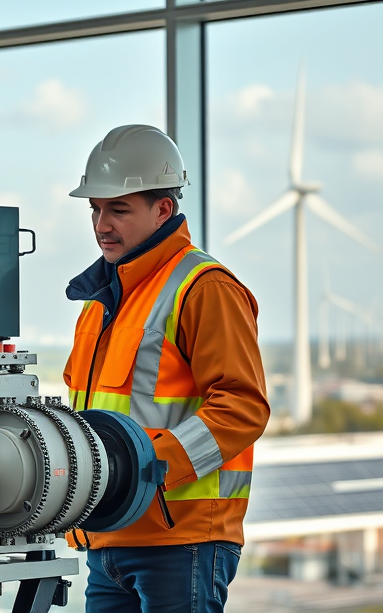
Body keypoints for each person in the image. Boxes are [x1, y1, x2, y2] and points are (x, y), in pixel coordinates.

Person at [62, 125, 271, 612]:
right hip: (108, 536)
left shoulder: (204, 287)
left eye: (118, 209)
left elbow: (243, 407)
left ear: (162, 209)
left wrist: (148, 469)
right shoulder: (100, 302)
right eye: (95, 208)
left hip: (182, 541)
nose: (101, 225)